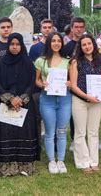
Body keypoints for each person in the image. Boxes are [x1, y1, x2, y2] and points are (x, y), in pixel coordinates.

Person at [0, 33, 40, 176]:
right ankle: (8, 167)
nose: (14, 47)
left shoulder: (28, 63)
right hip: (5, 104)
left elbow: (32, 82)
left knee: (24, 133)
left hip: (24, 104)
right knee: (6, 134)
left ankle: (25, 166)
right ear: (8, 45)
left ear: (21, 45)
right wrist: (10, 99)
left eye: (17, 44)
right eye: (12, 44)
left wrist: (21, 98)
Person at [34, 32, 71, 174]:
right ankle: (51, 160)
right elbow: (36, 80)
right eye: (53, 41)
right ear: (49, 42)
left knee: (62, 131)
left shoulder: (68, 61)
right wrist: (42, 84)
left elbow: (72, 80)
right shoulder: (41, 61)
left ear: (62, 43)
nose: (56, 43)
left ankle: (60, 160)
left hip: (64, 100)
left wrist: (68, 83)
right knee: (49, 132)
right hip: (47, 99)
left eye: (59, 41)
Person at [69, 34, 101, 172]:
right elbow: (73, 86)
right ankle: (83, 162)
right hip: (80, 100)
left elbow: (99, 79)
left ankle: (94, 161)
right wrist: (87, 96)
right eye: (84, 45)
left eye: (89, 43)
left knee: (93, 132)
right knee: (80, 132)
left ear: (93, 44)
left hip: (95, 101)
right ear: (80, 47)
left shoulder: (99, 60)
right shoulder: (75, 62)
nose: (87, 47)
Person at [62, 17, 86, 151]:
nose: (79, 29)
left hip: (87, 85)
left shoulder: (88, 44)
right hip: (72, 86)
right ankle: (73, 139)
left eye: (81, 27)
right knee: (74, 114)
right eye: (76, 27)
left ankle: (86, 138)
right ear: (71, 28)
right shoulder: (67, 47)